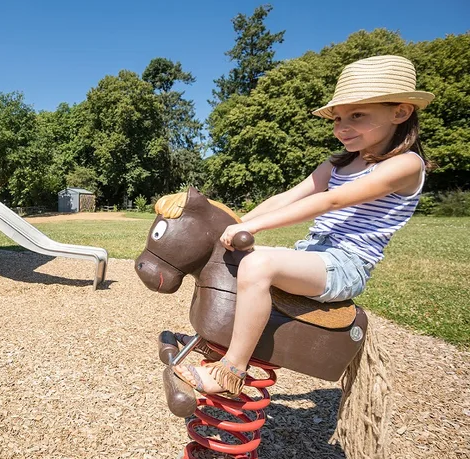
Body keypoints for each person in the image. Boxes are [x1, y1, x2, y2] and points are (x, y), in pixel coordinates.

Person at [174, 55, 435, 397]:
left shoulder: (405, 165)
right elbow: (290, 196)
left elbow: (331, 201)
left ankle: (230, 372)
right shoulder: (339, 162)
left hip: (344, 265)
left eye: (357, 115)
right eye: (338, 118)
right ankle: (215, 340)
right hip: (312, 252)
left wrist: (257, 228)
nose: (341, 127)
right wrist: (239, 222)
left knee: (258, 263)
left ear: (400, 113)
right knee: (231, 258)